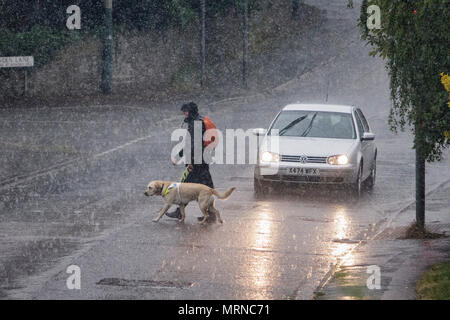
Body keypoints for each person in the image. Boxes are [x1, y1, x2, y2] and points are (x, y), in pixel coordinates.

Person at [165, 102, 216, 222]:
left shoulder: (196, 123)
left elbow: (193, 145)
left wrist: (189, 162)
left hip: (198, 161)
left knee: (186, 188)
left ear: (191, 112)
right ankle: (210, 214)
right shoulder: (198, 120)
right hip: (202, 159)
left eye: (186, 111)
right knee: (205, 187)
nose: (184, 113)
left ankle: (180, 212)